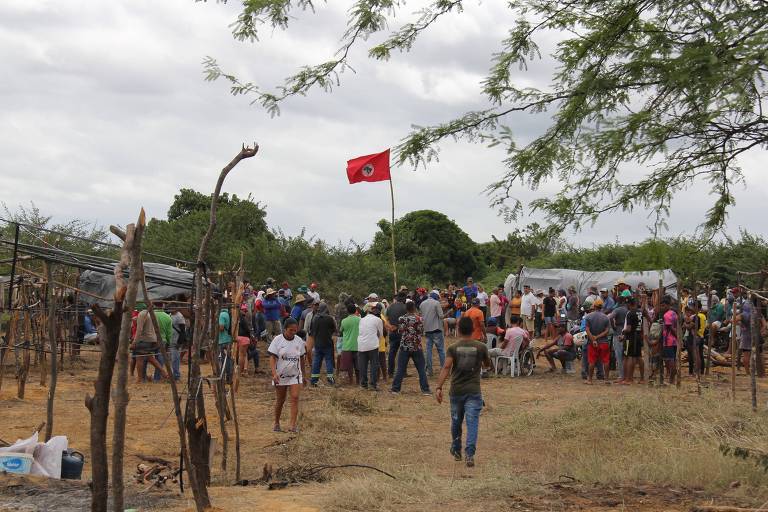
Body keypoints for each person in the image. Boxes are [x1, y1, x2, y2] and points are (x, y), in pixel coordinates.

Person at [435, 316, 491, 468]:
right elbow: (487, 365)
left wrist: (438, 387)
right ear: (473, 330)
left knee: (456, 421)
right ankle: (470, 454)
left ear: (458, 330)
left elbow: (446, 367)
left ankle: (456, 449)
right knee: (472, 422)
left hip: (456, 391)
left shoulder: (453, 348)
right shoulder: (481, 347)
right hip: (473, 391)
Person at [268, 318, 307, 433]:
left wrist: (303, 375)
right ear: (285, 329)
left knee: (295, 398)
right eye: (291, 330)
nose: (293, 333)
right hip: (280, 375)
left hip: (295, 375)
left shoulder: (299, 341)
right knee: (281, 399)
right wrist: (274, 374)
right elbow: (272, 358)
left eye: (295, 330)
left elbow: (302, 358)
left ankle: (292, 425)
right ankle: (276, 422)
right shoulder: (277, 340)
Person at [391, 301, 431, 395]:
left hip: (404, 346)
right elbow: (421, 331)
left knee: (400, 368)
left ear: (406, 308)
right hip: (416, 346)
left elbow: (400, 331)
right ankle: (425, 390)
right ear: (414, 308)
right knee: (421, 369)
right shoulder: (419, 319)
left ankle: (395, 389)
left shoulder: (401, 318)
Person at [131, 306, 169, 384]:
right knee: (150, 357)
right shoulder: (152, 314)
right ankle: (164, 372)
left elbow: (139, 329)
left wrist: (134, 342)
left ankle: (140, 379)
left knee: (139, 359)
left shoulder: (142, 314)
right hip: (152, 339)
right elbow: (156, 327)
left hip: (143, 339)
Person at [308, 302, 336, 386]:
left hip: (318, 343)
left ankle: (314, 379)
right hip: (327, 342)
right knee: (328, 360)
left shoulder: (315, 318)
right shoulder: (329, 318)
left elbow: (311, 331)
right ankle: (330, 378)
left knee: (316, 361)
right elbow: (334, 329)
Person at [358, 302, 384, 390]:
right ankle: (373, 384)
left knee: (363, 365)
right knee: (374, 365)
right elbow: (381, 335)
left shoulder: (361, 319)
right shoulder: (378, 320)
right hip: (372, 345)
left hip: (361, 345)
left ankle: (363, 384)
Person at [419, 290, 445, 376]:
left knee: (428, 351)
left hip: (427, 330)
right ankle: (443, 369)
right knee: (441, 350)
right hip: (437, 330)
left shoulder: (422, 304)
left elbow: (421, 316)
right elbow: (441, 316)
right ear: (436, 296)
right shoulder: (436, 303)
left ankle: (429, 371)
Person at [585, 300, 611, 384]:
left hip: (592, 343)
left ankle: (590, 380)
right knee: (606, 361)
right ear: (601, 307)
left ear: (594, 306)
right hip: (604, 342)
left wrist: (593, 339)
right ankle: (606, 379)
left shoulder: (588, 316)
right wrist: (598, 337)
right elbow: (607, 330)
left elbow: (587, 329)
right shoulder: (606, 317)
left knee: (592, 361)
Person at [620, 297, 644, 384]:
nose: (626, 306)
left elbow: (629, 328)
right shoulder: (640, 312)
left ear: (630, 304)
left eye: (627, 304)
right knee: (638, 357)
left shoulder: (630, 313)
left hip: (630, 337)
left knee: (628, 356)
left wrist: (623, 332)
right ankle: (642, 378)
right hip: (638, 336)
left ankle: (628, 379)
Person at [385, 293, 407, 378]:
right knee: (404, 353)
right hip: (402, 333)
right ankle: (403, 372)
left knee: (392, 353)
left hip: (392, 333)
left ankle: (390, 372)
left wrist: (390, 327)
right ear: (404, 299)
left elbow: (386, 320)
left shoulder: (390, 307)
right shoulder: (405, 307)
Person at [339, 303, 361, 385]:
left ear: (347, 311)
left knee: (349, 366)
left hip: (347, 347)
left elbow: (341, 331)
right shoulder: (359, 320)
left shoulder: (344, 321)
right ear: (355, 310)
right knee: (358, 366)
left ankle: (351, 381)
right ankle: (358, 381)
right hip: (358, 345)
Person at [609, 295, 629, 382]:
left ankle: (621, 375)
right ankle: (628, 374)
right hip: (627, 333)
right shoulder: (628, 310)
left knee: (619, 354)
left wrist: (613, 327)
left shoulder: (617, 310)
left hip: (618, 333)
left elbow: (610, 317)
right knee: (626, 355)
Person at [660, 296, 679, 383]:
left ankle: (671, 380)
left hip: (669, 341)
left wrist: (677, 337)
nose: (662, 308)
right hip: (674, 341)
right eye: (661, 306)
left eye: (663, 306)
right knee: (672, 359)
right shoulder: (674, 313)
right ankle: (672, 379)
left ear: (668, 305)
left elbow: (671, 328)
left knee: (670, 360)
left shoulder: (666, 315)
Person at [236, 303, 256, 377]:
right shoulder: (243, 319)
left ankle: (244, 369)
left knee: (242, 355)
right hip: (244, 338)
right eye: (243, 310)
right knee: (243, 355)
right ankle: (241, 371)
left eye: (245, 310)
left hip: (237, 337)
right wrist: (250, 336)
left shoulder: (236, 317)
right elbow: (247, 329)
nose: (245, 311)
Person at [217, 302, 234, 384]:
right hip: (227, 339)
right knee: (228, 359)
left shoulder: (221, 315)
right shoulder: (227, 314)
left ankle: (227, 377)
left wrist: (213, 326)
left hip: (223, 340)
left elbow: (221, 327)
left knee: (225, 360)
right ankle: (229, 377)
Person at [170, 306, 187, 381]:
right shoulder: (170, 315)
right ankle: (173, 374)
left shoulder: (180, 316)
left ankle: (176, 376)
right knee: (172, 359)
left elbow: (183, 331)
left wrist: (179, 342)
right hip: (171, 340)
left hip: (176, 341)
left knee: (175, 359)